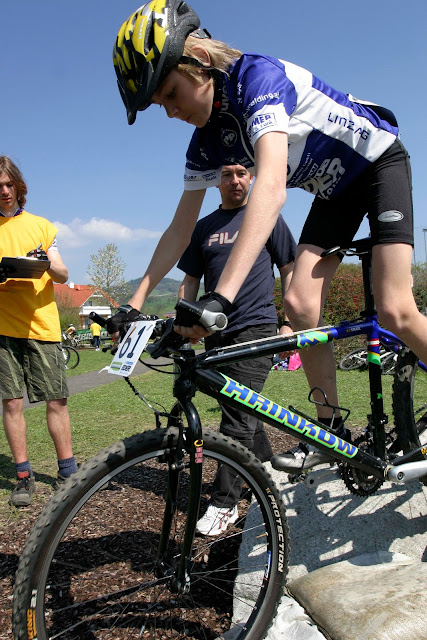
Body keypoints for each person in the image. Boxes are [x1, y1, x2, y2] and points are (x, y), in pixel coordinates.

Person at [110, 2, 427, 474]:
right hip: (335, 191)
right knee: (299, 306)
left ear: (200, 59)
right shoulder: (207, 140)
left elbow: (271, 188)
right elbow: (180, 227)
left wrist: (221, 297)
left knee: (395, 309)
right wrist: (134, 303)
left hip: (378, 163)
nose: (171, 111)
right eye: (161, 105)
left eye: (171, 93)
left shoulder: (256, 78)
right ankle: (332, 431)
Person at [177, 163, 296, 535]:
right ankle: (269, 470)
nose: (235, 180)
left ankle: (224, 503)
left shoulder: (267, 218)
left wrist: (289, 321)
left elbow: (289, 269)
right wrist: (185, 322)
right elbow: (190, 279)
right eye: (227, 174)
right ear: (218, 181)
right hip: (217, 333)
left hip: (257, 327)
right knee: (240, 408)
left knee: (236, 420)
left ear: (252, 178)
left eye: (242, 173)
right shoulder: (205, 227)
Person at [0, 156, 78, 507]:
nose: (4, 191)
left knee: (56, 400)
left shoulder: (42, 226)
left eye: (9, 184)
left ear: (19, 187)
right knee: (11, 403)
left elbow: (62, 274)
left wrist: (44, 262)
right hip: (3, 328)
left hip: (42, 325)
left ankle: (68, 472)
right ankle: (23, 477)